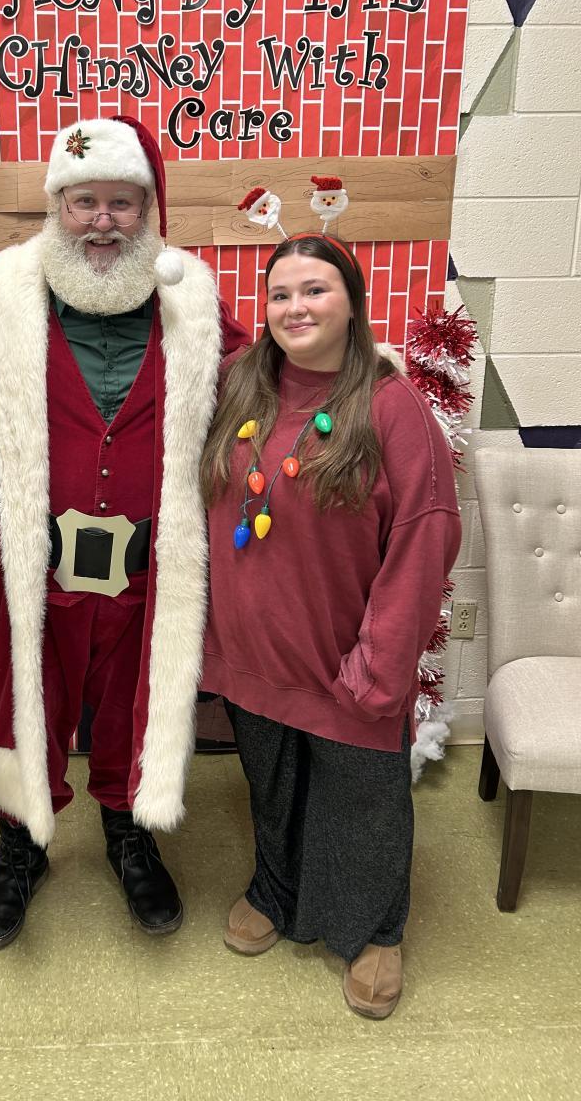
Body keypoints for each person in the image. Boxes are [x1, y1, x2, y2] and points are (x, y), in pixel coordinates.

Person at [0, 116, 248, 948]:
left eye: (122, 202)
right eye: (85, 201)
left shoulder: (192, 301)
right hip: (34, 565)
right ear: (58, 206)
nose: (103, 220)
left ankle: (129, 833)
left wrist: (357, 380)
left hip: (147, 567)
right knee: (26, 699)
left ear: (149, 210)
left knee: (132, 703)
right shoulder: (0, 300)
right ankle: (21, 845)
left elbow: (259, 389)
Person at [199, 233, 461, 1019]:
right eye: (280, 294)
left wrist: (382, 663)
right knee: (271, 787)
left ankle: (377, 930)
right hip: (253, 652)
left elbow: (424, 539)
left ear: (352, 302)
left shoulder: (391, 407)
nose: (295, 308)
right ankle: (275, 889)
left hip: (346, 658)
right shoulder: (237, 386)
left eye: (315, 290)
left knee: (363, 798)